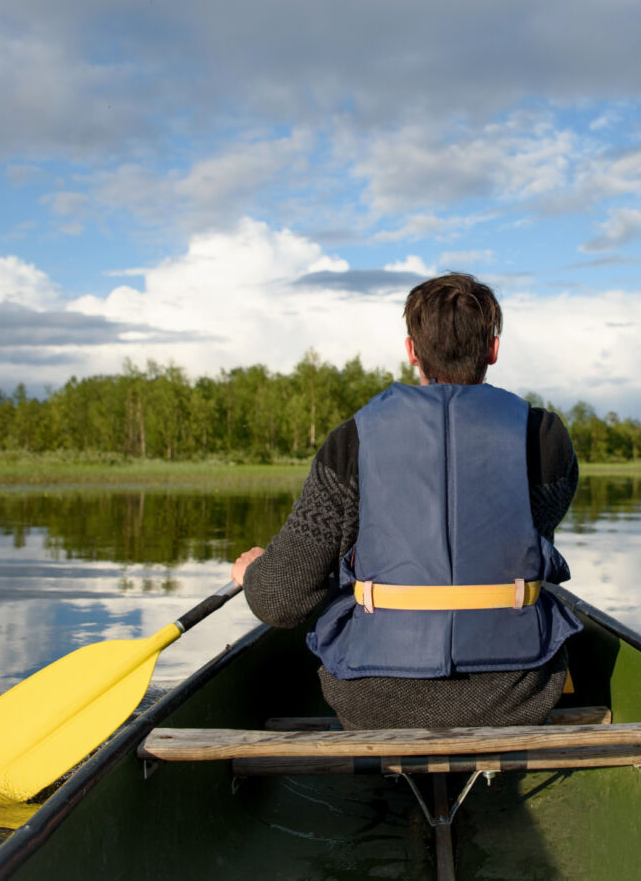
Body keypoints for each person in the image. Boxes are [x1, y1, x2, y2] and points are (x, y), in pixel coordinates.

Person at [230, 272, 580, 729]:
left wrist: (254, 573)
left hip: (372, 700)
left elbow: (281, 600)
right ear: (493, 350)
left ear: (412, 350)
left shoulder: (351, 441)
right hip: (515, 695)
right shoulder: (546, 440)